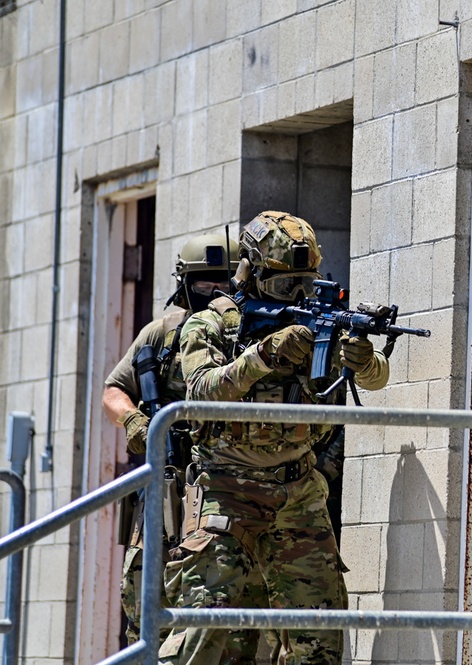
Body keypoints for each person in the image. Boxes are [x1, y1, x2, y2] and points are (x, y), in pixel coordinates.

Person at [159, 211, 389, 665]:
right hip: (226, 488)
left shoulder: (321, 323)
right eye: (287, 287)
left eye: (307, 283)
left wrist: (362, 359)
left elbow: (378, 379)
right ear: (252, 272)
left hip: (298, 491)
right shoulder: (210, 325)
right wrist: (264, 354)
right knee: (204, 625)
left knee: (319, 632)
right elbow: (202, 390)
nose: (300, 296)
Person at [103, 232, 267, 661]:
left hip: (225, 491)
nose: (215, 292)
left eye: (224, 282)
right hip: (169, 489)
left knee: (222, 612)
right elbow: (114, 390)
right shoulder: (161, 334)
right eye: (204, 283)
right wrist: (137, 420)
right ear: (184, 282)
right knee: (142, 597)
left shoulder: (250, 331)